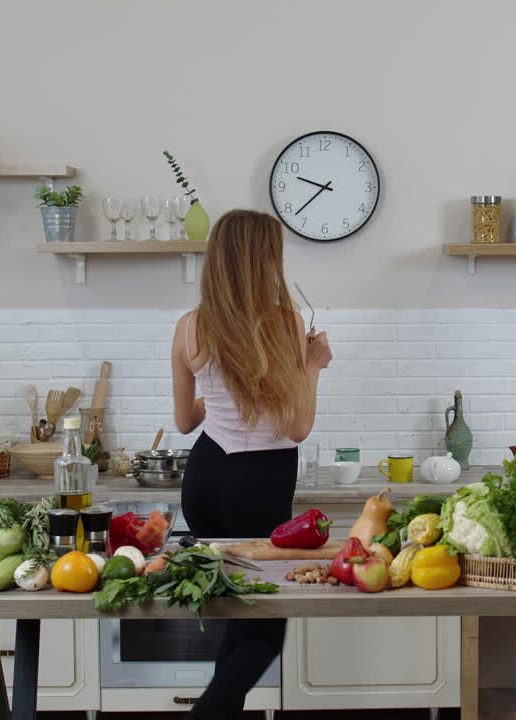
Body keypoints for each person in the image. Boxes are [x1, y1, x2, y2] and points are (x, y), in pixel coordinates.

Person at [171, 209, 332, 718]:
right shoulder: (284, 323)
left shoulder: (189, 326)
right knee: (265, 631)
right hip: (260, 484)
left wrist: (216, 399)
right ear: (265, 260)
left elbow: (184, 420)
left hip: (205, 481)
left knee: (239, 619)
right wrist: (313, 365)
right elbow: (297, 427)